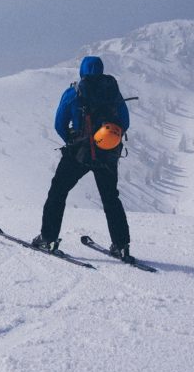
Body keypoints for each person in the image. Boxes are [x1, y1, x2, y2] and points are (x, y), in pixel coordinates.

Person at [32, 55, 133, 261]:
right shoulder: (114, 93)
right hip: (107, 154)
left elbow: (60, 124)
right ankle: (121, 245)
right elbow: (125, 122)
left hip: (79, 153)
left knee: (58, 192)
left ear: (82, 71)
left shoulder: (73, 92)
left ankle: (48, 238)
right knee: (110, 198)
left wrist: (73, 138)